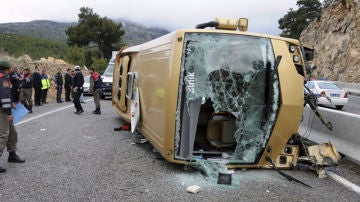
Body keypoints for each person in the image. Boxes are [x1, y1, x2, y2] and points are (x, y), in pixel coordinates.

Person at [0, 60, 25, 173]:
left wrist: (10, 104)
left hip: (4, 108)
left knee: (12, 132)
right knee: (3, 134)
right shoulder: (3, 78)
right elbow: (4, 97)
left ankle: (12, 154)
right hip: (3, 111)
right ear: (8, 69)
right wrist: (9, 113)